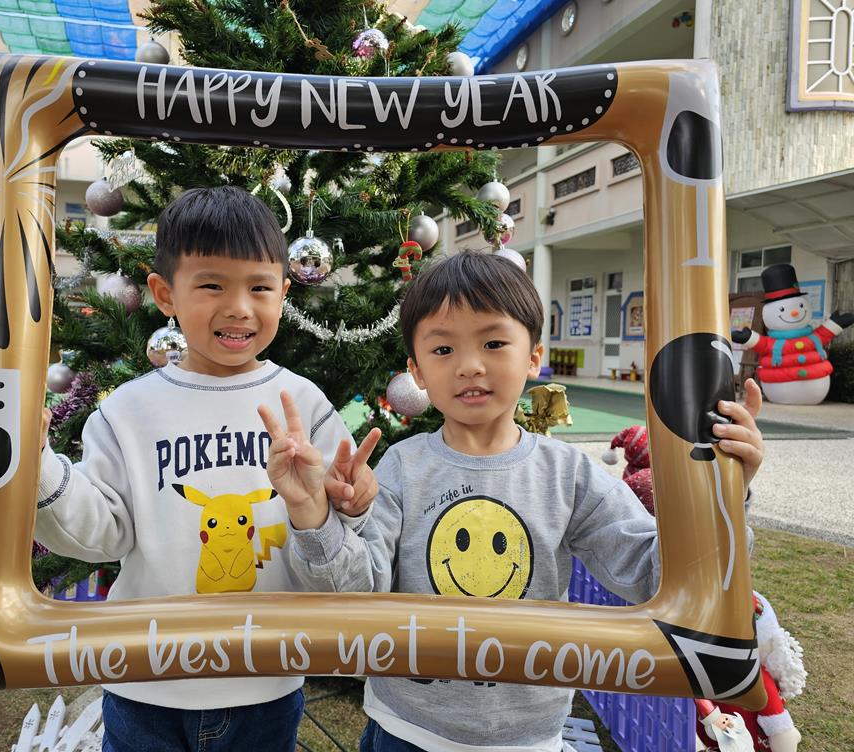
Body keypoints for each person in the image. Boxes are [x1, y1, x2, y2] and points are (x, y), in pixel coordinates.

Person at [260, 251, 766, 752]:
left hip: (530, 736)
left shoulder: (568, 474)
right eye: (443, 349)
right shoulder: (401, 467)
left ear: (533, 357)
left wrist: (722, 497)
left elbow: (655, 575)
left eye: (494, 342)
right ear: (417, 371)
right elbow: (355, 598)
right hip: (407, 729)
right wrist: (311, 513)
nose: (470, 366)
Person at [0, 186, 380, 752]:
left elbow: (340, 546)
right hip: (144, 681)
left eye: (259, 287)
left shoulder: (303, 404)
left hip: (266, 682)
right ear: (164, 294)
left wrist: (349, 501)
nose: (239, 307)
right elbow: (101, 535)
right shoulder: (128, 410)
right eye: (212, 285)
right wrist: (36, 462)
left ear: (284, 291)